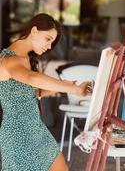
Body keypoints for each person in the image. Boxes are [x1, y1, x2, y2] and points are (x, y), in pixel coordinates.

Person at [0, 13, 92, 171]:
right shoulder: (8, 60)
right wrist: (74, 89)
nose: (49, 47)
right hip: (18, 135)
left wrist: (63, 85)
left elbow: (33, 93)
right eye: (48, 39)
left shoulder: (26, 59)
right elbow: (31, 78)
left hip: (36, 129)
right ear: (34, 31)